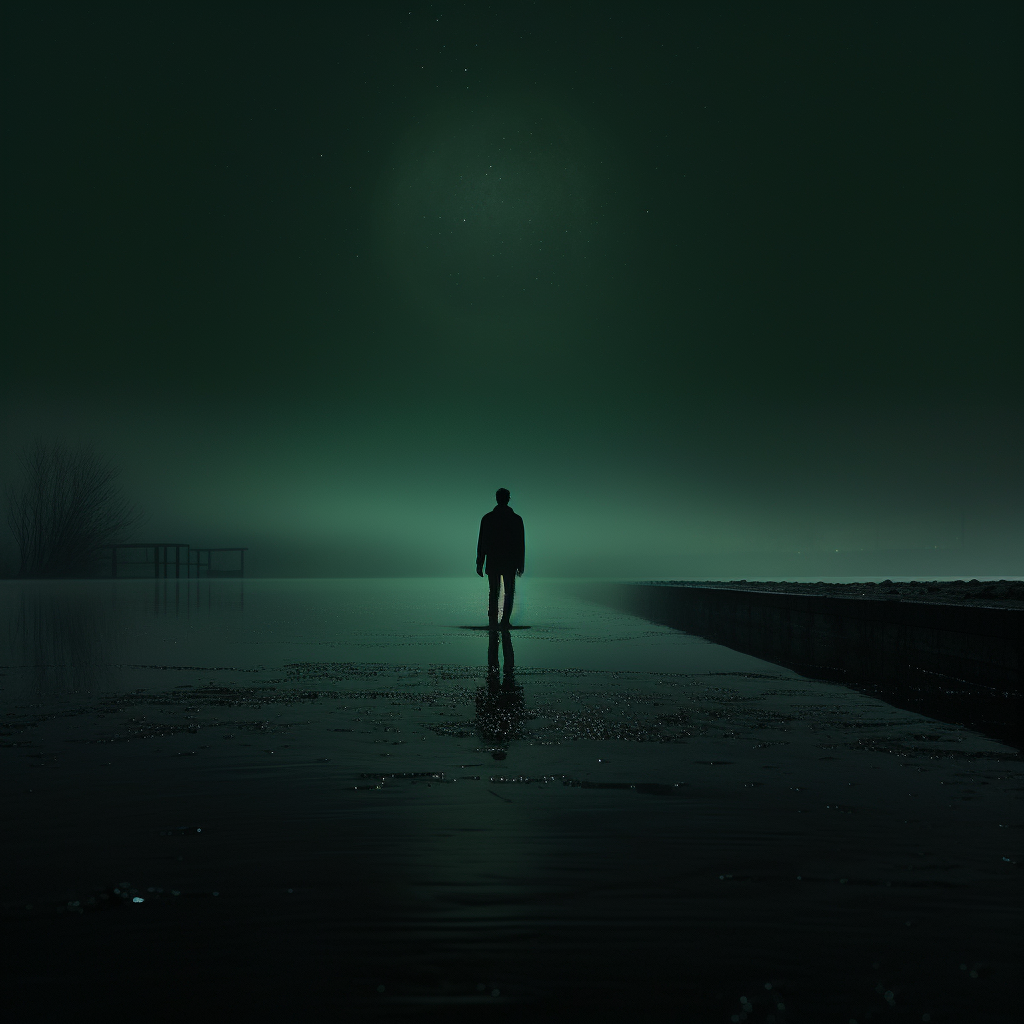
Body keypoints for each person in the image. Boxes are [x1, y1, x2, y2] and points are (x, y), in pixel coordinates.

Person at [476, 488, 525, 628]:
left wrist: (480, 562)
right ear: (508, 498)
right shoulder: (515, 519)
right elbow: (520, 544)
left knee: (494, 591)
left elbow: (482, 543)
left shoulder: (488, 518)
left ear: (497, 498)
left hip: (494, 561)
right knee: (508, 591)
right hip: (509, 562)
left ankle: (493, 621)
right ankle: (504, 621)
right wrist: (520, 564)